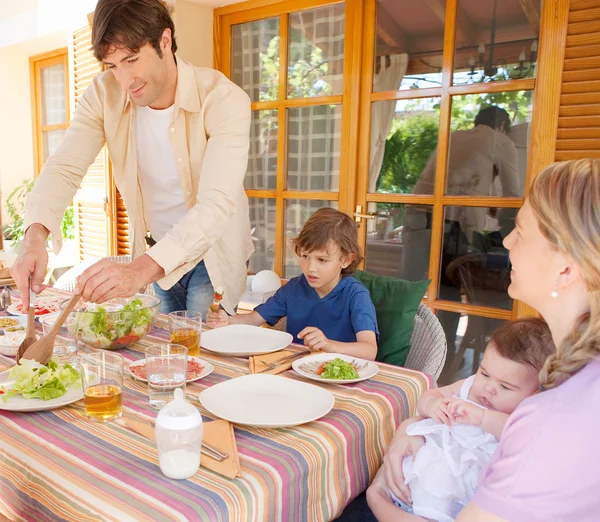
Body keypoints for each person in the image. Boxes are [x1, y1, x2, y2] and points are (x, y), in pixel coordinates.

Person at [362, 159, 600, 522]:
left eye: (520, 231)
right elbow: (443, 397)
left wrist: (376, 498)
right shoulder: (580, 374)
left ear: (565, 268)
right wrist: (406, 431)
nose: (506, 241)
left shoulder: (555, 421)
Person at [10, 0, 253, 315]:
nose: (125, 81)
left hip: (213, 253)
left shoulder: (223, 99)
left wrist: (138, 271)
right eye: (112, 65)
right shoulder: (103, 94)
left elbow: (215, 205)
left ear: (164, 41)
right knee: (165, 354)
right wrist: (34, 238)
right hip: (156, 251)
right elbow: (64, 169)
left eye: (132, 59)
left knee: (200, 353)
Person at [366, 318, 554, 522]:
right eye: (485, 373)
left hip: (458, 481)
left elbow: (517, 433)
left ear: (534, 393)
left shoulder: (524, 414)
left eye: (505, 386)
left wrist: (483, 417)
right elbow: (430, 395)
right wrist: (431, 405)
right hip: (428, 457)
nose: (488, 387)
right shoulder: (471, 385)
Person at [401, 106, 520, 369]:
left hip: (416, 212)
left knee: (408, 290)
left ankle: (401, 355)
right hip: (449, 221)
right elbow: (514, 196)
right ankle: (442, 362)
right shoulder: (501, 141)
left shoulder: (453, 136)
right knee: (448, 292)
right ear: (502, 126)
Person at [206, 208, 379, 360]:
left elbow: (369, 350)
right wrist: (227, 320)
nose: (311, 268)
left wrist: (329, 345)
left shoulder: (356, 295)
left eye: (322, 260)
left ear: (346, 260)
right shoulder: (294, 288)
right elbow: (253, 319)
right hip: (298, 369)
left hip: (338, 374)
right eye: (305, 256)